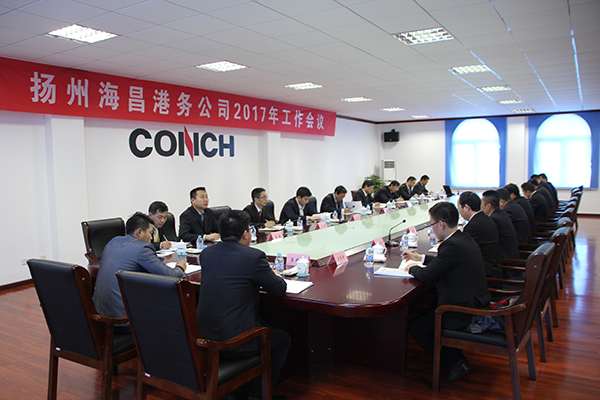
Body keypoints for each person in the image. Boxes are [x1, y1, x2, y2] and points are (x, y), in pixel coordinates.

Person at [196, 210, 289, 400]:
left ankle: (239, 389)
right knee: (283, 339)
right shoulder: (253, 257)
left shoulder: (206, 254)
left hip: (204, 335)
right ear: (246, 234)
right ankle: (258, 396)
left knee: (262, 324)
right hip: (235, 342)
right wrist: (273, 275)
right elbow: (278, 289)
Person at [402, 202, 490, 383]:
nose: (432, 229)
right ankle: (453, 358)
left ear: (441, 224)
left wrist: (410, 267)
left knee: (417, 328)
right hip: (470, 297)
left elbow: (426, 275)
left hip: (462, 308)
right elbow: (445, 261)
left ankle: (455, 362)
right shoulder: (461, 238)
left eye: (432, 224)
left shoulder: (451, 246)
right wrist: (421, 258)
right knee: (425, 313)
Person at [93, 212, 186, 320]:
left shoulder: (113, 242)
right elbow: (171, 276)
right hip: (124, 316)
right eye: (150, 233)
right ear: (139, 232)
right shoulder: (143, 248)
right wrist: (180, 267)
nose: (151, 238)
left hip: (99, 312)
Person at [458, 191, 503, 279]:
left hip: (485, 271)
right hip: (493, 266)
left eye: (459, 208)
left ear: (466, 208)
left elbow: (463, 252)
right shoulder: (486, 218)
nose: (459, 211)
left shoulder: (472, 226)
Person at [481, 190, 520, 260]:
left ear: (488, 206)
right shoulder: (501, 213)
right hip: (510, 253)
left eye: (481, 204)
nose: (480, 207)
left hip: (506, 259)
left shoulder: (494, 219)